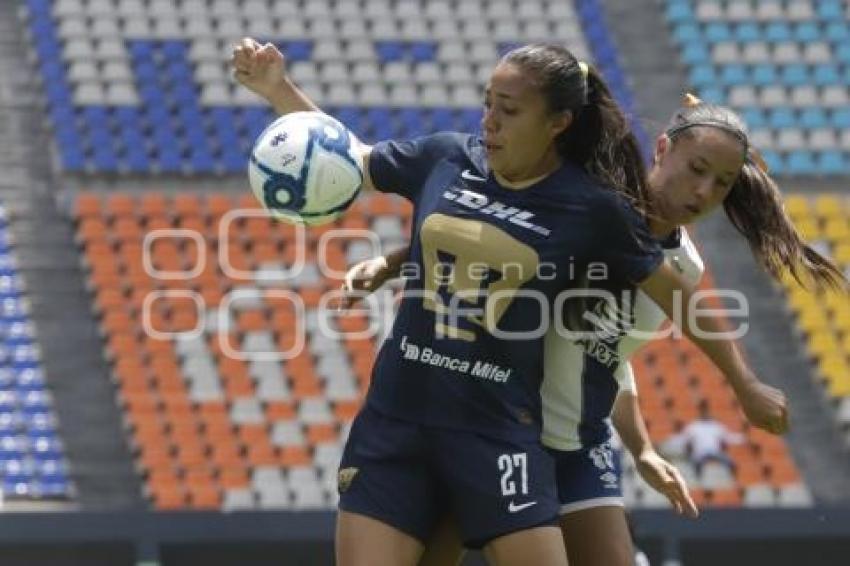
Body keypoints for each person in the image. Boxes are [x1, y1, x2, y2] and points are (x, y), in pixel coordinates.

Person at [232, 38, 792, 566]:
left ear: (558, 123)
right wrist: (279, 92)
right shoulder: (455, 159)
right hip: (413, 417)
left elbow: (633, 335)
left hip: (523, 433)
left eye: (509, 110)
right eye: (488, 104)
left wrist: (737, 388)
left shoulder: (603, 216)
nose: (490, 120)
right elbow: (348, 159)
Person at [337, 93, 846, 566]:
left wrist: (642, 447)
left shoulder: (683, 267)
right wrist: (396, 260)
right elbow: (480, 235)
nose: (703, 191)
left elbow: (607, 354)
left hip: (576, 441)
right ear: (662, 149)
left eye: (722, 183)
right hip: (498, 428)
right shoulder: (584, 201)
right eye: (696, 170)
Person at [665, 399, 745, 476]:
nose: (705, 413)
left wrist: (743, 438)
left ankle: (735, 480)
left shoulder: (716, 426)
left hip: (715, 452)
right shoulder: (694, 426)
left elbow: (728, 437)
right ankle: (699, 480)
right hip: (700, 453)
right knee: (697, 463)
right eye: (703, 411)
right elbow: (682, 439)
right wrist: (668, 440)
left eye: (706, 411)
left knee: (730, 462)